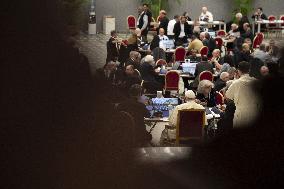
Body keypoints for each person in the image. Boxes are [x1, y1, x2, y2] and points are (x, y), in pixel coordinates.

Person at [225, 61, 260, 128]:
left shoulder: (236, 83)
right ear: (249, 70)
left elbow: (227, 97)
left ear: (238, 71)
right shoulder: (257, 82)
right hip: (255, 113)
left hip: (241, 113)